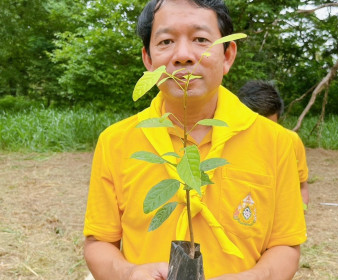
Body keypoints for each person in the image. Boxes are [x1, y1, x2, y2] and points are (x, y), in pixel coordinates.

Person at [83, 1, 307, 279]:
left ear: (227, 56)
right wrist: (129, 273)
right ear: (148, 60)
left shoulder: (276, 142)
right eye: (166, 41)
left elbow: (285, 243)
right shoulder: (116, 141)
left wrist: (255, 277)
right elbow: (99, 242)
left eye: (201, 39)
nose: (184, 55)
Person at [237, 80, 310, 210]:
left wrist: (300, 212)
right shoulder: (229, 144)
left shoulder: (291, 141)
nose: (263, 133)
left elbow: (301, 186)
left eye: (270, 127)